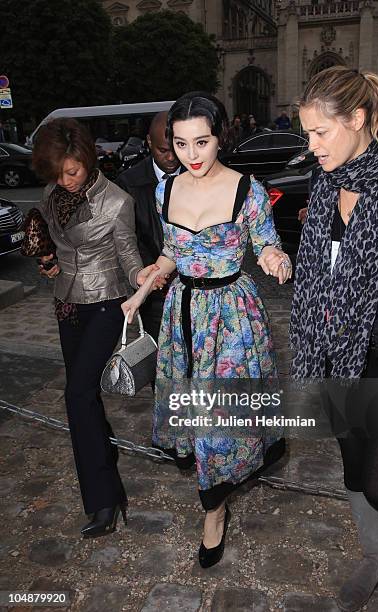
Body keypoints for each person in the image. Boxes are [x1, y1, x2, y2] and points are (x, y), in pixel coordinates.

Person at [121, 92, 291, 569]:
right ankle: (213, 496)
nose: (191, 156)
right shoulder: (165, 190)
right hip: (182, 315)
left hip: (232, 319)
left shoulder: (246, 190)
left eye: (202, 142)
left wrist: (276, 258)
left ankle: (212, 512)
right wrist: (141, 291)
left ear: (220, 138)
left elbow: (266, 244)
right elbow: (172, 255)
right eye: (180, 144)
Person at [290, 66, 378, 611]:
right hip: (334, 355)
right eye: (307, 133)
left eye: (321, 132)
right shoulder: (323, 184)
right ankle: (373, 556)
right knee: (356, 471)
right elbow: (326, 272)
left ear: (358, 119)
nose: (311, 146)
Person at [31, 118, 163, 539]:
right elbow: (58, 243)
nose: (65, 181)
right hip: (67, 303)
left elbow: (127, 252)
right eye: (57, 173)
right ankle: (102, 456)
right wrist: (48, 260)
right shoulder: (52, 194)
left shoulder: (117, 201)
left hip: (107, 300)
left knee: (77, 394)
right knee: (82, 396)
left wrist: (143, 276)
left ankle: (104, 499)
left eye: (72, 171)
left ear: (88, 159)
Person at [116, 111, 181, 342]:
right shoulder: (128, 182)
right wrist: (145, 273)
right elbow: (127, 240)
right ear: (149, 142)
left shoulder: (197, 175)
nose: (172, 157)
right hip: (154, 291)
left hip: (193, 289)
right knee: (160, 360)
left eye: (176, 147)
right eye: (163, 150)